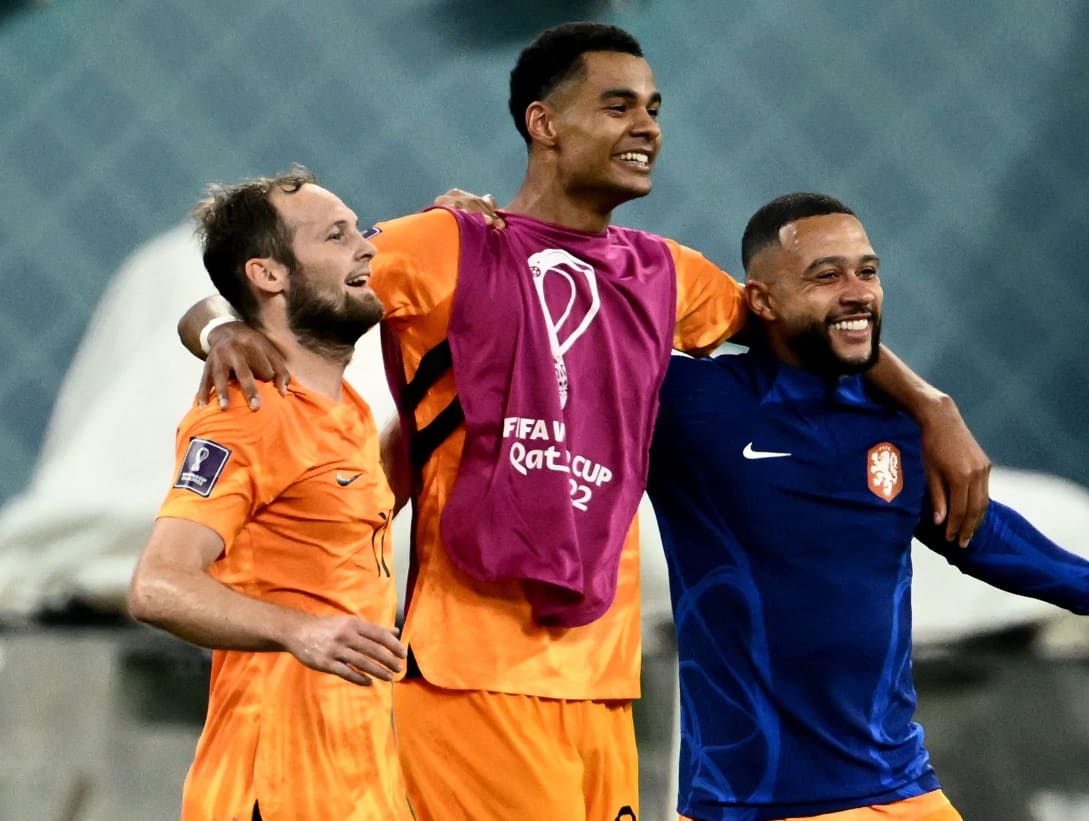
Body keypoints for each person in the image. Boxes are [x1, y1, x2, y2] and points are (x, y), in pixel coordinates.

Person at [179, 24, 990, 820]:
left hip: (604, 676)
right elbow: (273, 292)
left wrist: (930, 404)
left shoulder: (666, 272)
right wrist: (220, 330)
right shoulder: (447, 244)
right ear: (544, 123)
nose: (647, 128)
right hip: (471, 674)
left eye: (654, 108)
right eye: (617, 106)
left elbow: (806, 320)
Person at [646, 192, 1089, 821]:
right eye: (826, 275)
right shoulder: (688, 404)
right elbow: (585, 323)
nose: (857, 291)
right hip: (749, 804)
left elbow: (980, 532)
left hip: (900, 794)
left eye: (868, 271)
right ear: (762, 300)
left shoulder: (898, 427)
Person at [128, 167, 408, 821]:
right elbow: (158, 584)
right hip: (273, 792)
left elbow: (340, 532)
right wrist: (299, 631)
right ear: (271, 275)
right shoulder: (247, 411)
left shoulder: (350, 412)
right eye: (337, 236)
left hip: (359, 790)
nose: (366, 246)